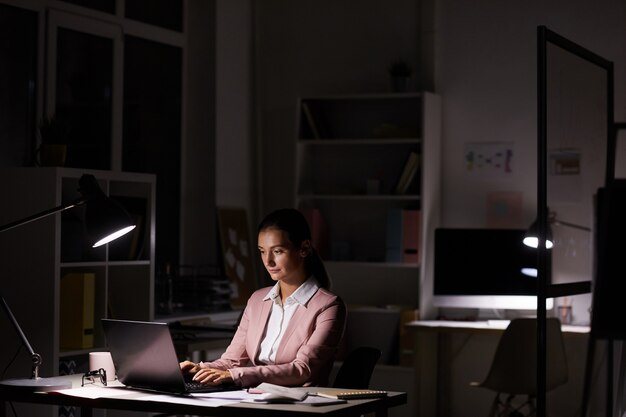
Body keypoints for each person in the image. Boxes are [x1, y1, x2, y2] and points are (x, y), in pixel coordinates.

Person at [180, 208, 346, 388]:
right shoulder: (257, 300)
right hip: (255, 399)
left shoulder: (328, 305)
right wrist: (199, 369)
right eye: (262, 251)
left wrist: (235, 375)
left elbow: (302, 370)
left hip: (300, 405)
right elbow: (231, 362)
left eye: (278, 251)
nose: (268, 261)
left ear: (304, 248)